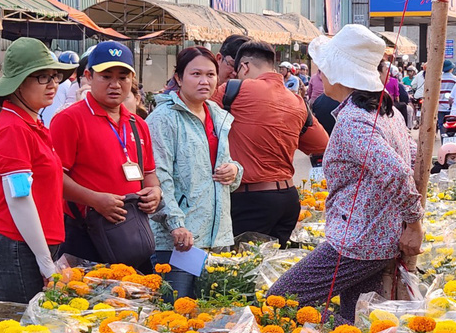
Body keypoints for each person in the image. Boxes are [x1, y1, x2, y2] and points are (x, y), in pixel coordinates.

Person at [266, 25, 423, 323]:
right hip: (375, 239)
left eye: (323, 68)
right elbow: (410, 161)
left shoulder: (354, 120)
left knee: (279, 301)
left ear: (338, 73)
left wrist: (414, 224)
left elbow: (398, 173)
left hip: (358, 242)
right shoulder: (388, 112)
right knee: (354, 321)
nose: (320, 74)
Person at [0, 38, 77, 303]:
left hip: (28, 246)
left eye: (54, 76)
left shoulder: (31, 123)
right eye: (41, 77)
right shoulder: (14, 127)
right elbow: (19, 197)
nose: (53, 84)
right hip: (19, 251)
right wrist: (46, 263)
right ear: (18, 83)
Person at [50, 41, 162, 270]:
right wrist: (95, 200)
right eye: (106, 76)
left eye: (123, 77)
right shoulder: (69, 120)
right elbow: (52, 178)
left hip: (131, 232)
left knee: (136, 301)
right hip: (84, 235)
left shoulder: (137, 124)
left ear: (132, 80)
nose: (115, 84)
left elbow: (149, 172)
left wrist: (155, 191)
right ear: (89, 76)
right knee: (88, 302)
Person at [148, 46, 242, 298]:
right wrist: (175, 224)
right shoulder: (164, 118)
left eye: (210, 75)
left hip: (217, 235)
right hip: (179, 239)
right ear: (178, 78)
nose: (205, 81)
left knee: (211, 313)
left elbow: (224, 163)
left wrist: (234, 170)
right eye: (196, 74)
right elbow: (159, 176)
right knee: (176, 312)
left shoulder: (218, 116)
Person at [213, 40, 328, 246]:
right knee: (274, 271)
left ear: (245, 66)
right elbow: (321, 143)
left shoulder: (232, 90)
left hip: (250, 199)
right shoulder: (296, 101)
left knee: (241, 271)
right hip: (287, 199)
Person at [41, 50, 80, 127]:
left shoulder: (67, 84)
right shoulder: (68, 84)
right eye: (43, 76)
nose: (51, 84)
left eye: (74, 71)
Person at [439, 59, 456, 131]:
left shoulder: (438, 79)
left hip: (440, 106)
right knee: (451, 124)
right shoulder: (455, 79)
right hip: (450, 106)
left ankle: (443, 139)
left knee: (441, 125)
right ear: (451, 69)